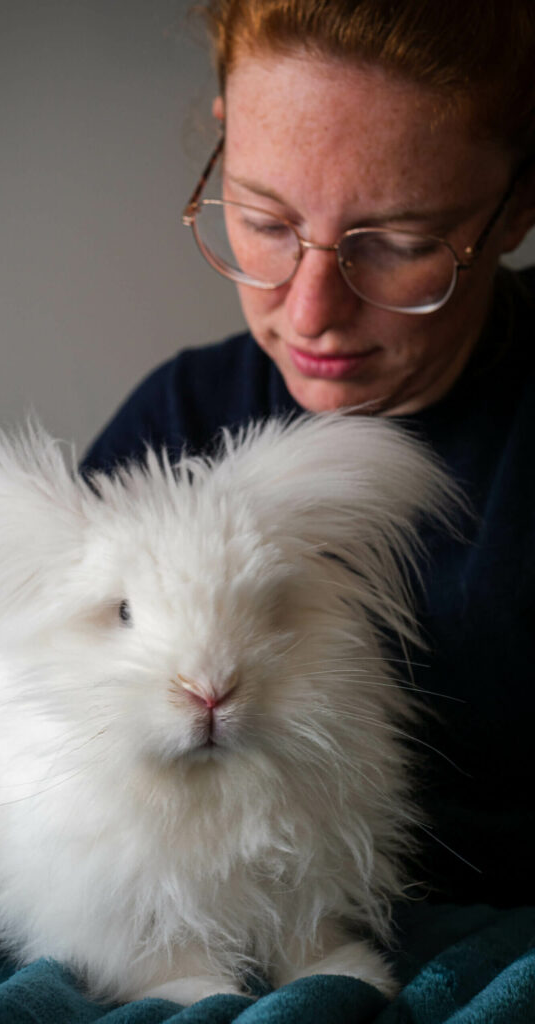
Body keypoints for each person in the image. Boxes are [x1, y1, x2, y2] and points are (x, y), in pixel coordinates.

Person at [82, 0, 535, 911]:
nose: (311, 309)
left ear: (519, 204)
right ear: (224, 138)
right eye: (265, 219)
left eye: (401, 244)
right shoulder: (180, 419)